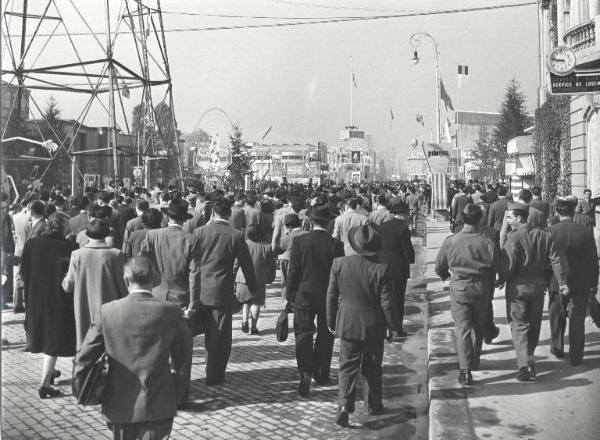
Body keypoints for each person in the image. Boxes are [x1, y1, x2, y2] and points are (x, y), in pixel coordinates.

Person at [73, 255, 192, 440]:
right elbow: (183, 358)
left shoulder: (107, 311)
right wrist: (176, 394)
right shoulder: (171, 311)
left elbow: (84, 358)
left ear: (126, 280)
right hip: (159, 402)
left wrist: (82, 391)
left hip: (120, 403)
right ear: (154, 279)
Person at [326, 223, 400, 427]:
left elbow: (331, 295)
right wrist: (394, 326)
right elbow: (387, 302)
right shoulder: (381, 269)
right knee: (372, 366)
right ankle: (374, 403)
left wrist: (331, 320)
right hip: (374, 325)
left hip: (348, 323)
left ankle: (344, 406)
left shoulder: (339, 264)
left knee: (347, 366)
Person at [499, 202, 568, 381]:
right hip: (537, 288)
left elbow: (509, 264)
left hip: (518, 288)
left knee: (519, 325)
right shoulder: (544, 236)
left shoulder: (513, 238)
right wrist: (562, 283)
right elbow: (555, 261)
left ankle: (525, 365)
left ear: (519, 218)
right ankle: (529, 359)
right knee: (534, 324)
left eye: (509, 218)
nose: (507, 221)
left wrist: (501, 279)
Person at [140, 198, 200, 404]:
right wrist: (193, 304)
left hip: (155, 298)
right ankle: (180, 397)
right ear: (184, 220)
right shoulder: (190, 239)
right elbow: (195, 274)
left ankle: (153, 393)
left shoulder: (153, 235)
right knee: (182, 353)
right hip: (180, 300)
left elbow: (141, 265)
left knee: (154, 350)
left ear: (168, 216)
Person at [193, 197, 256, 386]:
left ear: (212, 212)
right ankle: (214, 375)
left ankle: (202, 366)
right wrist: (252, 288)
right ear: (229, 214)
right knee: (219, 337)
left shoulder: (199, 232)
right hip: (221, 291)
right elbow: (247, 265)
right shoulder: (235, 235)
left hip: (199, 291)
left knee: (199, 331)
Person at [435, 204, 500, 385]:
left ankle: (465, 370)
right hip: (481, 287)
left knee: (462, 328)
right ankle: (475, 361)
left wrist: (447, 277)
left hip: (459, 287)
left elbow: (439, 266)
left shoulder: (451, 240)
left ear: (463, 220)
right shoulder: (486, 241)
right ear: (480, 220)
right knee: (478, 327)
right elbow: (497, 266)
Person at [287, 203, 344, 396]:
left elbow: (293, 273)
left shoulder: (300, 242)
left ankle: (305, 372)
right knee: (325, 335)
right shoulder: (336, 245)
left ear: (310, 221)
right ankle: (321, 372)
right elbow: (339, 275)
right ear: (328, 221)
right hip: (327, 296)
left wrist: (290, 296)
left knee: (303, 334)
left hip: (303, 295)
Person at [20, 213, 77, 399]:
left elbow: (23, 271)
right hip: (58, 298)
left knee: (45, 334)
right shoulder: (70, 247)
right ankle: (44, 384)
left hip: (35, 297)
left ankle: (50, 372)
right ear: (64, 227)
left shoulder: (32, 244)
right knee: (53, 338)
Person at [62, 219, 128, 349]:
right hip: (110, 305)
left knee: (86, 340)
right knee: (110, 341)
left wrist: (64, 279)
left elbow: (68, 285)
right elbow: (122, 285)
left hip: (84, 304)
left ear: (87, 234)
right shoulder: (116, 254)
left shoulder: (77, 254)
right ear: (106, 234)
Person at [547, 198, 599, 365]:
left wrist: (544, 279)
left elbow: (546, 260)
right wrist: (594, 282)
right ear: (573, 212)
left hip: (556, 281)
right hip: (581, 282)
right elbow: (593, 260)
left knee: (556, 316)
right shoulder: (585, 232)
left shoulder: (550, 232)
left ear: (557, 212)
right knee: (577, 320)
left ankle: (557, 348)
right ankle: (576, 355)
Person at [378, 200, 415, 337]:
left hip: (383, 268)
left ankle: (385, 329)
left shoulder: (383, 226)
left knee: (385, 299)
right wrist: (410, 258)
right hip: (399, 269)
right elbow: (407, 251)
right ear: (404, 214)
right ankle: (397, 329)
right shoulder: (403, 228)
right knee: (398, 300)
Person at [235, 224, 275, 334]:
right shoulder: (267, 247)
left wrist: (233, 276)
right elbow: (271, 266)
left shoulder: (243, 245)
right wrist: (271, 277)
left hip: (243, 279)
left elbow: (236, 263)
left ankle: (244, 321)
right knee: (256, 303)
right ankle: (253, 327)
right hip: (259, 279)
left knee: (246, 301)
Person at [278, 213, 308, 300]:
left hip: (288, 261)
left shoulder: (287, 236)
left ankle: (286, 301)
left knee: (285, 283)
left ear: (289, 226)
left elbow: (281, 247)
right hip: (303, 261)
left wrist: (285, 234)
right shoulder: (307, 233)